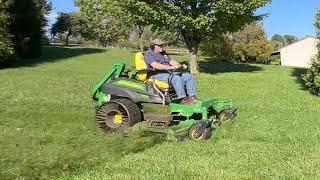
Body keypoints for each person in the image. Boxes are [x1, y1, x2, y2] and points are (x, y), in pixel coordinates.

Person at [144, 39, 198, 105]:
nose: (162, 46)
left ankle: (192, 97)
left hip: (167, 73)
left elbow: (171, 61)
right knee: (176, 78)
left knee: (188, 76)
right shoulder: (149, 54)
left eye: (162, 45)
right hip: (156, 74)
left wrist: (178, 65)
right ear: (153, 46)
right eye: (160, 45)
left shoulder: (163, 53)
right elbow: (155, 65)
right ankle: (183, 100)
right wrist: (170, 67)